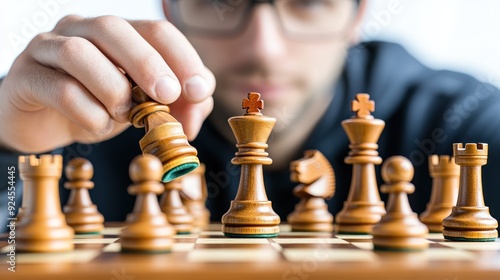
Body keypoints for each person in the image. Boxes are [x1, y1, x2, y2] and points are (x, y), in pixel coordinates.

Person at [1, 0, 499, 229]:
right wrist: (5, 146)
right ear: (170, 10)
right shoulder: (84, 117)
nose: (265, 48)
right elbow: (13, 254)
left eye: (306, 2)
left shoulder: (456, 121)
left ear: (357, 14)